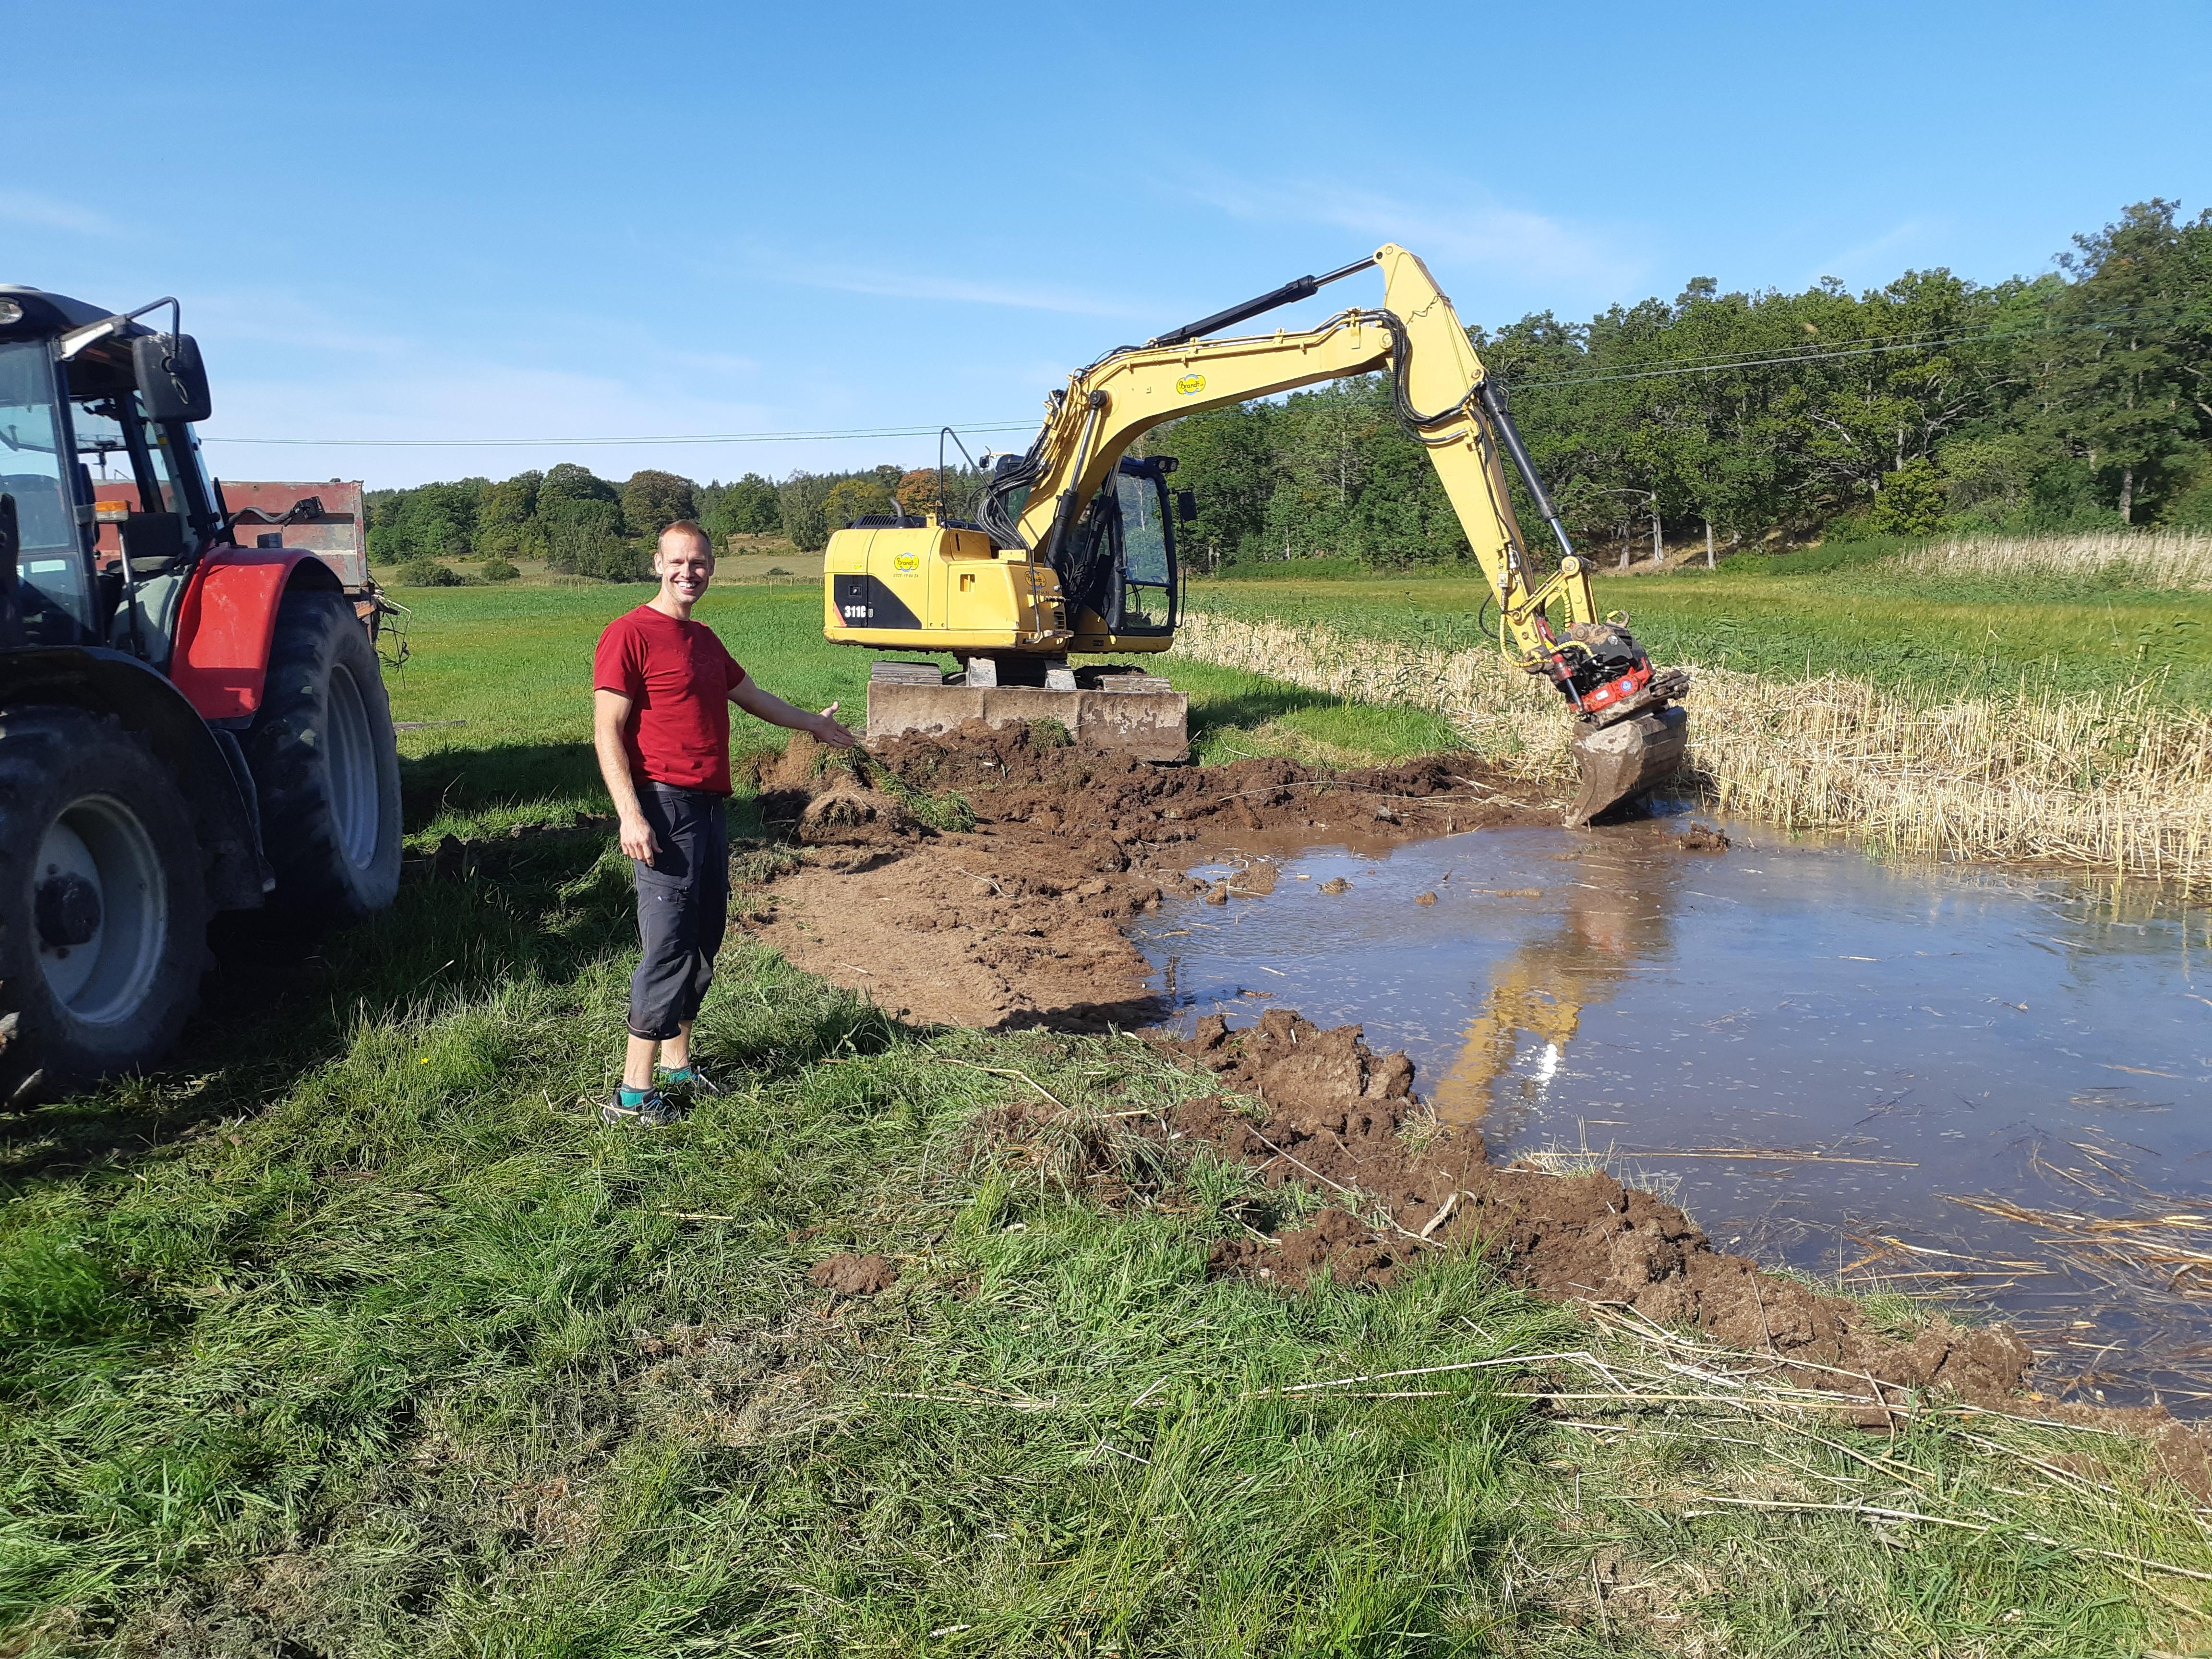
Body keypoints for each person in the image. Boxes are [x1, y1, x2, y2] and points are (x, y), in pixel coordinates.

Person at [592, 520, 856, 1125]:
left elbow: (754, 697)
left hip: (709, 806)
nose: (689, 573)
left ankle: (677, 1065)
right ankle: (632, 1096)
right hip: (663, 805)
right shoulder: (628, 634)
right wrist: (630, 814)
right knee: (668, 942)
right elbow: (607, 731)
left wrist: (812, 724)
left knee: (704, 937)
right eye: (678, 562)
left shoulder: (704, 640)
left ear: (712, 567)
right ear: (658, 564)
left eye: (700, 563)